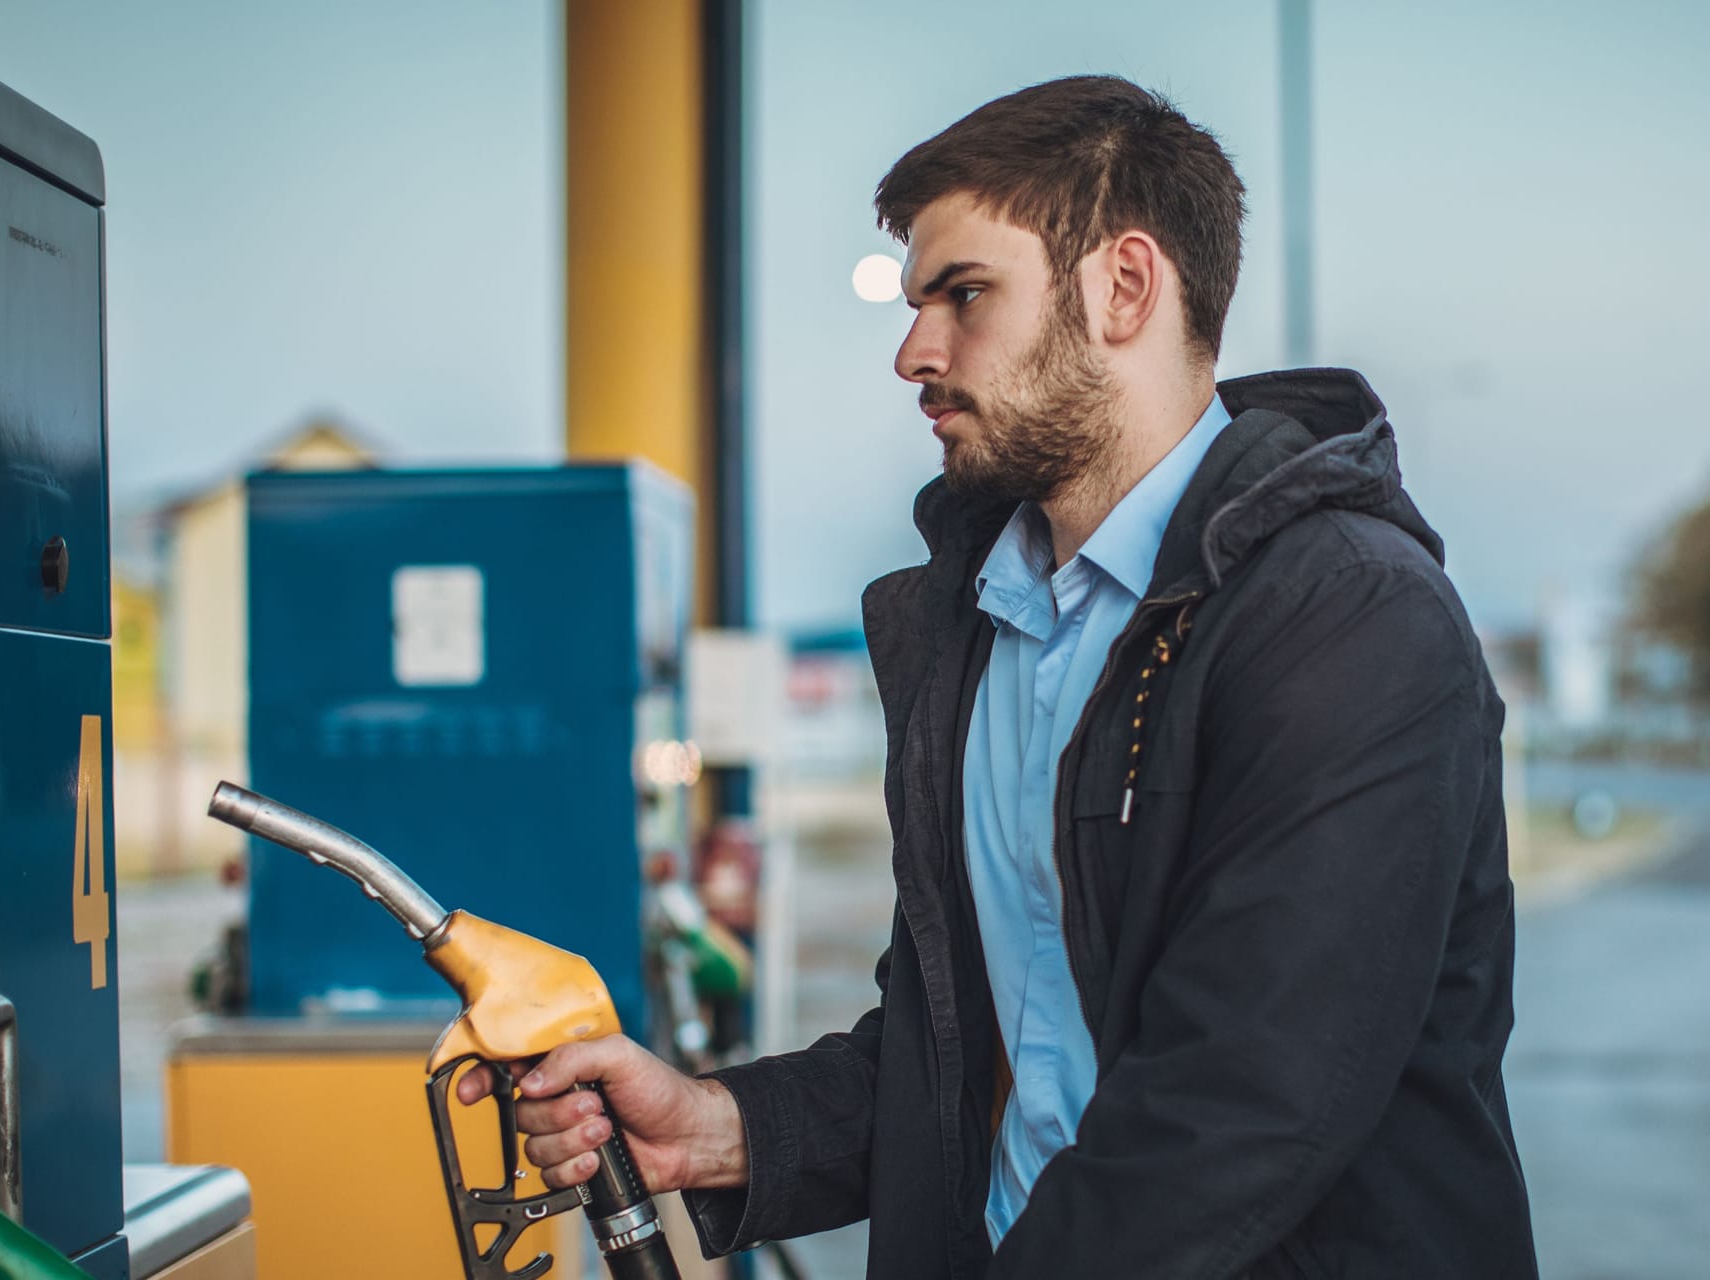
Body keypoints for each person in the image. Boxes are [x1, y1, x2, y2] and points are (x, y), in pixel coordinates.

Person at [459, 75, 1538, 1278]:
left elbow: (1242, 1108)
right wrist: (712, 1126)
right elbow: (962, 1046)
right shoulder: (980, 625)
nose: (916, 351)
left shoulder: (1349, 617)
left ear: (1124, 286)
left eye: (964, 295)